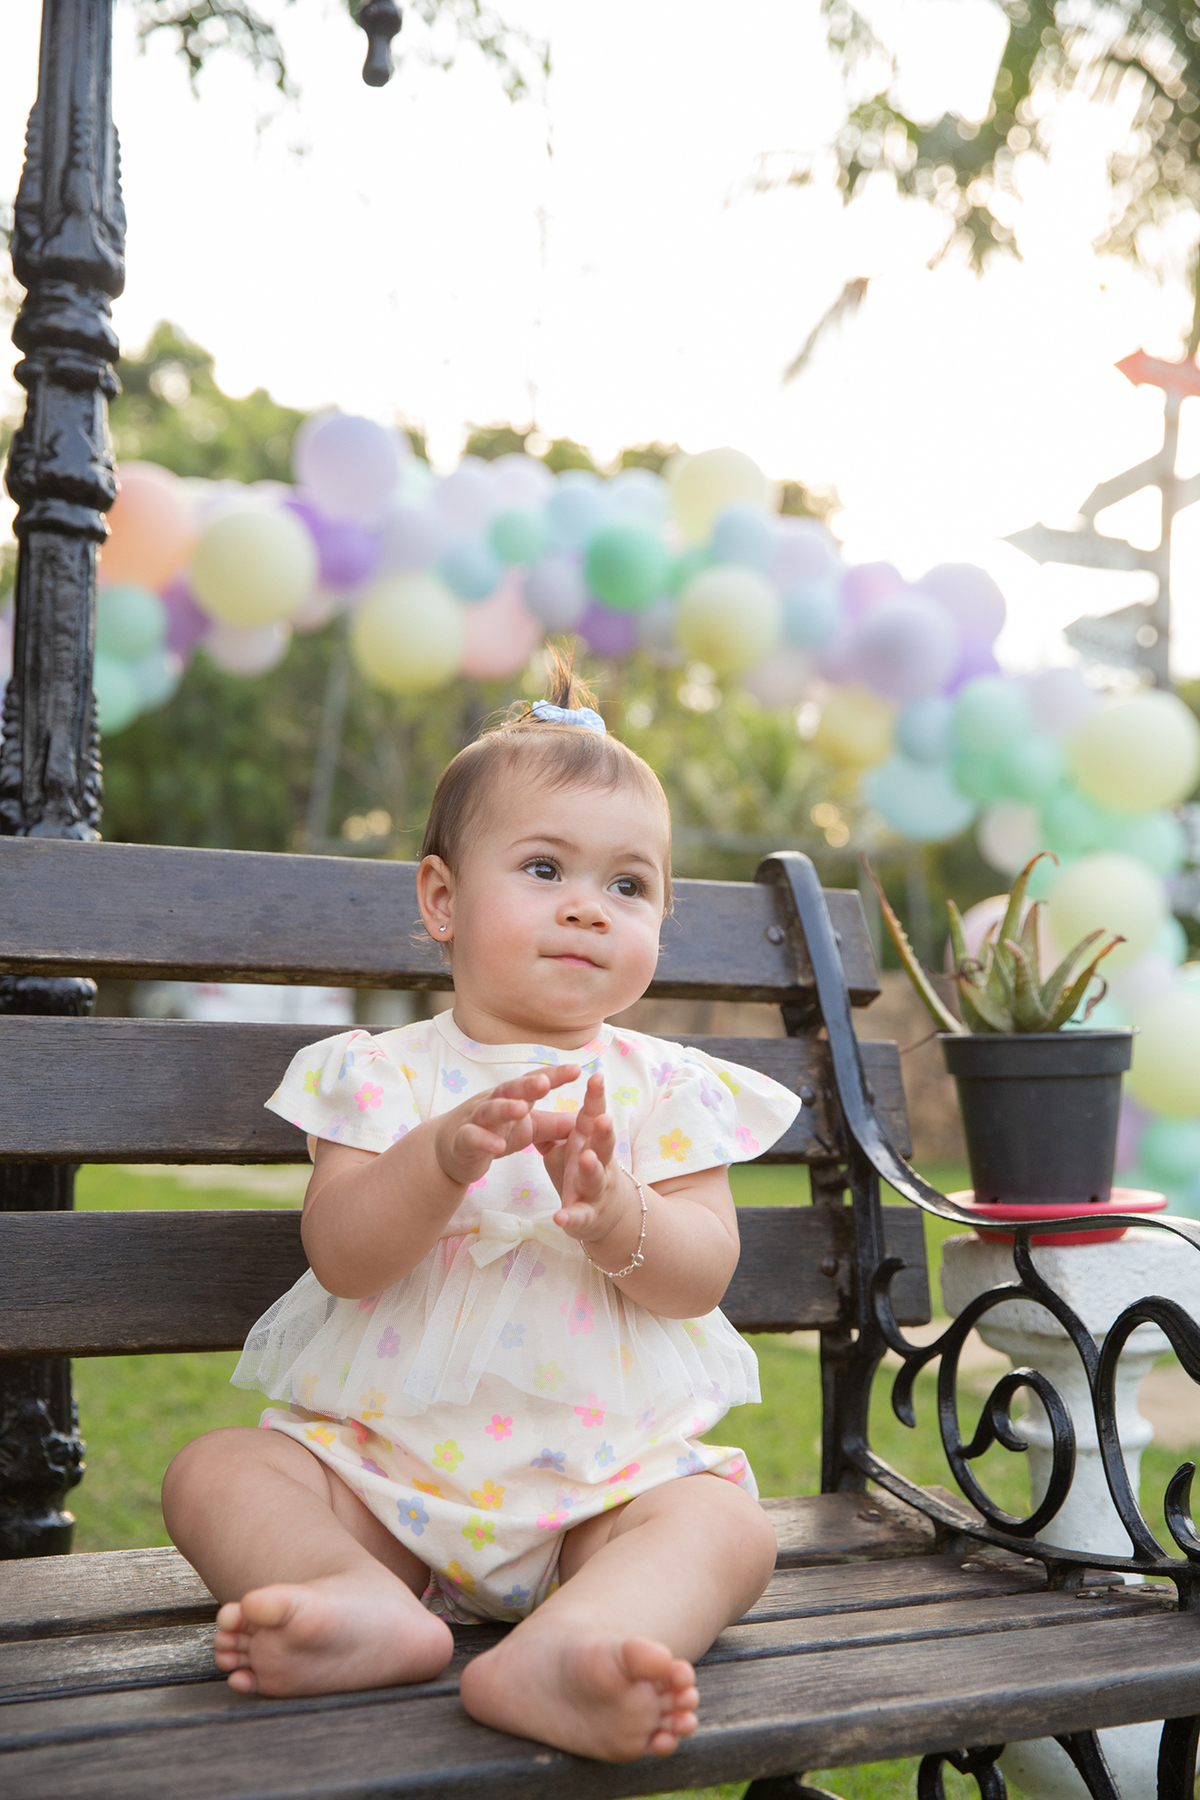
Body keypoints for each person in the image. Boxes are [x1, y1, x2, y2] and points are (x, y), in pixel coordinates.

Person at [162, 653, 802, 1763]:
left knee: (726, 1527)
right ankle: (349, 1596)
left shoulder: (671, 1088)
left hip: (603, 1489)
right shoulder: (383, 1075)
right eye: (546, 867)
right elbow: (345, 1257)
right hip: (382, 1475)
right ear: (443, 899)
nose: (588, 910)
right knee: (216, 1471)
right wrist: (437, 1160)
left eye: (628, 886)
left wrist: (613, 1217)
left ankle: (581, 1639)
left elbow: (702, 1274)